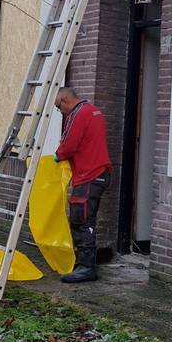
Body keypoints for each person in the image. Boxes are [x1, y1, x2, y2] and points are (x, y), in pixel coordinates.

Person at [51, 87, 112, 283]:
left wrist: (57, 156)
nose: (60, 112)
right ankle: (86, 262)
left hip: (89, 175)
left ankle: (86, 268)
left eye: (59, 107)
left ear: (65, 100)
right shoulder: (94, 111)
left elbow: (69, 144)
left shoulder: (78, 114)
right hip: (98, 173)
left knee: (81, 220)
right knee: (87, 219)